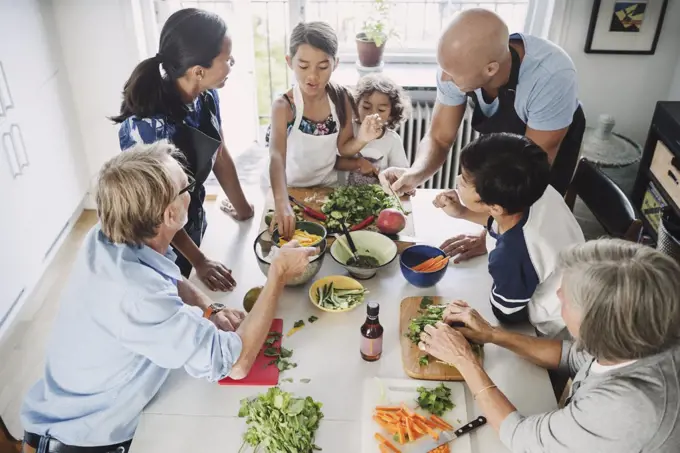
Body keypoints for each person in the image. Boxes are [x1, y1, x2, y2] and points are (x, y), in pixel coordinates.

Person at [19, 143, 318, 453]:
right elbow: (237, 364)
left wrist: (208, 308)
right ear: (171, 214)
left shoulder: (113, 233)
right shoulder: (135, 295)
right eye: (185, 187)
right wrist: (278, 274)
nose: (191, 190)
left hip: (70, 412)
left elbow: (167, 278)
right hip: (84, 441)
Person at [419, 239, 680, 452]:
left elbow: (521, 438)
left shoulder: (627, 408)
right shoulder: (639, 334)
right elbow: (572, 356)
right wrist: (493, 335)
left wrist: (464, 359)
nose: (558, 295)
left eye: (566, 297)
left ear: (596, 323)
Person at [381, 8, 585, 262]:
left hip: (537, 164)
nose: (444, 78)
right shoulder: (456, 65)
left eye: (452, 73)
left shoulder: (551, 77)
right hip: (509, 160)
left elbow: (526, 178)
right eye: (443, 68)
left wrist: (488, 236)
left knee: (529, 244)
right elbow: (440, 137)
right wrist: (415, 173)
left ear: (490, 69)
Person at [112, 8, 253, 291]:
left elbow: (219, 153)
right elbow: (156, 212)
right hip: (158, 239)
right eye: (227, 59)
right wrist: (200, 261)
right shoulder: (149, 129)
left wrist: (245, 210)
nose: (233, 63)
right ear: (198, 71)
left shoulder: (206, 96)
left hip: (188, 221)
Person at [433, 133, 583, 336]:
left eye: (466, 180)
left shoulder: (513, 254)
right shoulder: (539, 190)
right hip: (581, 288)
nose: (458, 180)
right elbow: (508, 220)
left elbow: (507, 314)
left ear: (493, 207)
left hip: (557, 330)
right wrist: (462, 212)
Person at [267, 21, 384, 239]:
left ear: (335, 64)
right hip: (289, 188)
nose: (313, 76)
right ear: (289, 62)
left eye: (322, 67)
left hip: (328, 188)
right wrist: (281, 202)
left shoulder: (341, 98)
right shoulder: (285, 106)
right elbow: (276, 157)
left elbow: (345, 149)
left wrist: (363, 139)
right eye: (303, 66)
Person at [339, 73, 411, 186]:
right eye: (366, 107)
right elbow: (334, 162)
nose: (372, 114)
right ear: (355, 105)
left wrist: (403, 182)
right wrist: (357, 163)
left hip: (378, 198)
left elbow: (402, 173)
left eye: (381, 109)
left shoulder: (392, 140)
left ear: (391, 114)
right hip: (344, 193)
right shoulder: (348, 130)